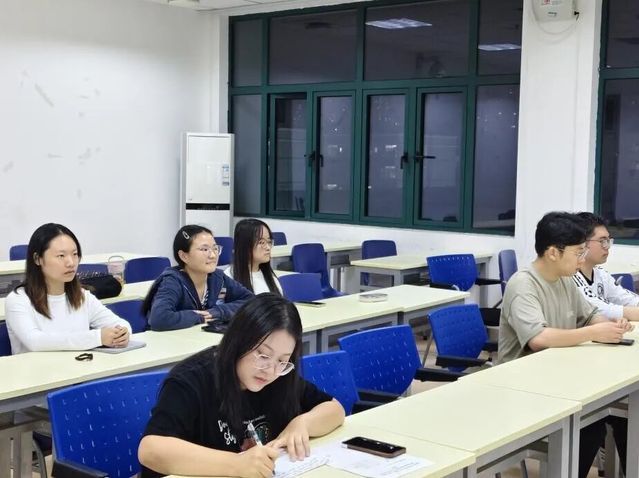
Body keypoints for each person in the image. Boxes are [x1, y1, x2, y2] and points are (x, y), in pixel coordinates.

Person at [138, 293, 345, 478]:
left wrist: (302, 424)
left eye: (283, 360)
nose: (270, 371)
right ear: (239, 340)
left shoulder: (280, 377)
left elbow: (334, 409)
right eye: (263, 355)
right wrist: (236, 464)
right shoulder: (192, 380)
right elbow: (150, 449)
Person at [498, 211, 633, 478]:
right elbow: (539, 339)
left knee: (623, 414)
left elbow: (589, 315)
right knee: (591, 423)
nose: (583, 259)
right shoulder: (523, 285)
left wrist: (609, 327)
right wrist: (593, 332)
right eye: (578, 252)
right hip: (522, 386)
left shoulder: (565, 279)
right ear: (553, 252)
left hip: (560, 376)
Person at [5, 223, 131, 354]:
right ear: (38, 259)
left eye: (75, 254)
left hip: (79, 366)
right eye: (61, 256)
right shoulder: (18, 300)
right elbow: (35, 342)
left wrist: (122, 334)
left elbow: (122, 324)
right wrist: (97, 337)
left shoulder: (82, 296)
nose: (71, 263)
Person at [142, 225, 253, 331]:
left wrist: (218, 312)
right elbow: (159, 318)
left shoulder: (218, 277)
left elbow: (251, 301)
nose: (213, 255)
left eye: (215, 248)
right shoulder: (172, 281)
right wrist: (198, 317)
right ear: (184, 256)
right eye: (204, 249)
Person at [573, 212, 639, 320]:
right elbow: (600, 309)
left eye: (608, 241)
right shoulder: (570, 276)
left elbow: (626, 298)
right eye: (602, 241)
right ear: (582, 243)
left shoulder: (600, 273)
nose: (607, 246)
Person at [224, 219, 282, 295]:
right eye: (261, 242)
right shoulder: (228, 277)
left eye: (269, 242)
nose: (268, 247)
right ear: (245, 245)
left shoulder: (271, 277)